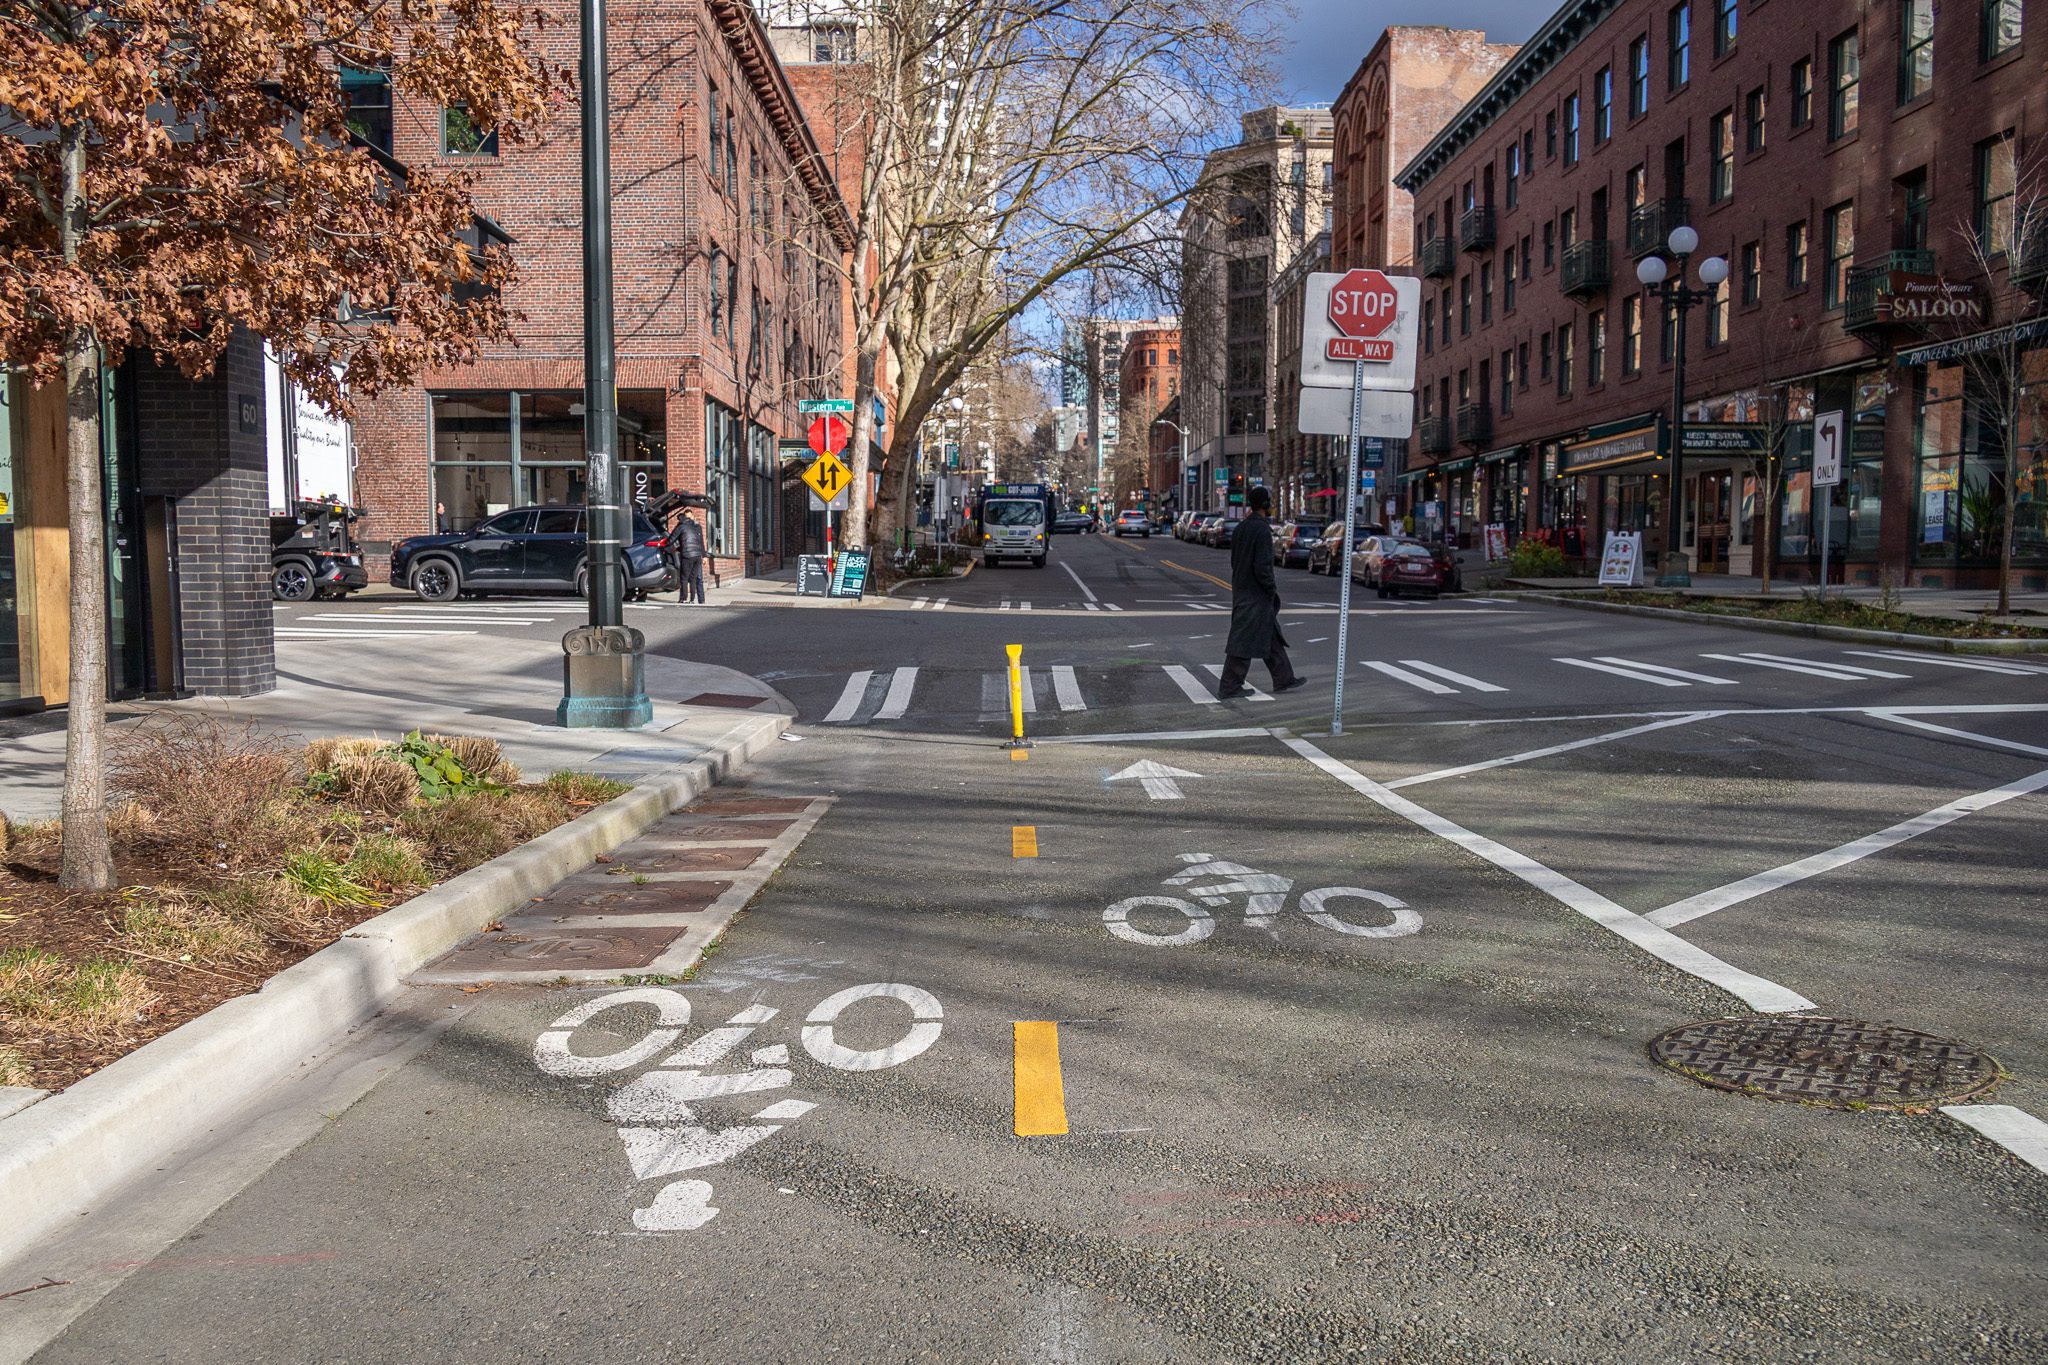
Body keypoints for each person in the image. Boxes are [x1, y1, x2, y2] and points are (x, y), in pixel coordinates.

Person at [1219, 487, 1305, 700]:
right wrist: (1270, 588)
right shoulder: (1261, 530)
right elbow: (1263, 567)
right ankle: (1229, 685)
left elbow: (1234, 561)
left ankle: (1284, 677)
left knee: (1270, 634)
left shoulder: (1241, 529)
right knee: (1243, 638)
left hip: (1242, 588)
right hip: (1255, 593)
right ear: (1265, 505)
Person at [672, 507, 707, 604]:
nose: (688, 519)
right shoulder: (682, 525)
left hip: (694, 555)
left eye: (689, 517)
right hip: (691, 554)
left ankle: (700, 600)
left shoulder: (697, 527)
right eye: (686, 517)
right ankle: (686, 598)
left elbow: (701, 542)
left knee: (697, 578)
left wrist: (704, 556)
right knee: (688, 577)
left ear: (693, 516)